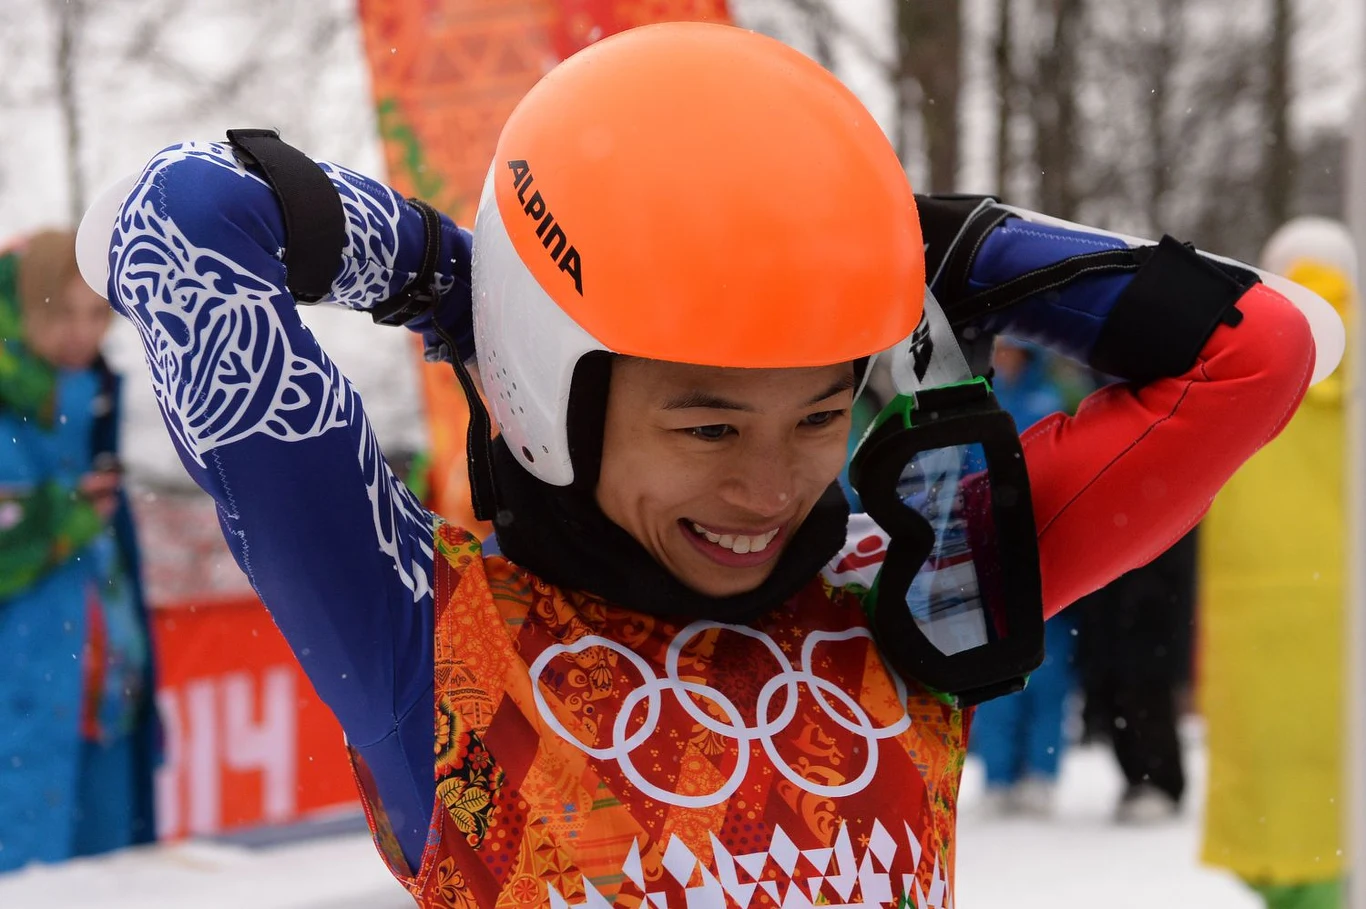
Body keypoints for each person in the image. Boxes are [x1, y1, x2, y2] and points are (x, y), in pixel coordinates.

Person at [82, 23, 1319, 907]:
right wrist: (475, 298)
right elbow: (181, 222)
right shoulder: (433, 637)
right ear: (548, 392)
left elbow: (1258, 351)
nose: (771, 489)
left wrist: (923, 247)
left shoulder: (917, 591)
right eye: (709, 427)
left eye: (820, 413)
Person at [1198, 216, 1355, 909]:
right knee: (1340, 803)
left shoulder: (1234, 358)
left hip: (1253, 622)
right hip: (1345, 622)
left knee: (1273, 817)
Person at [0, 229, 158, 871]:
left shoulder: (99, 402)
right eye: (60, 311)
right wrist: (54, 519)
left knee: (112, 885)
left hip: (105, 706)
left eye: (97, 314)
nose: (81, 333)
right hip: (22, 712)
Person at [967, 339, 1079, 816]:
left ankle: (1040, 771)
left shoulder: (1049, 403)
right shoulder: (981, 403)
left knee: (1047, 672)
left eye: (1015, 350)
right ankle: (998, 771)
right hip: (988, 556)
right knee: (995, 670)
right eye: (1002, 350)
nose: (1007, 357)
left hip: (1044, 552)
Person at [1073, 527, 1199, 822]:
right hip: (1112, 621)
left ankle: (1161, 783)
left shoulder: (1170, 509)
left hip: (1149, 626)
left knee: (1147, 703)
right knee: (1114, 702)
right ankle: (1136, 780)